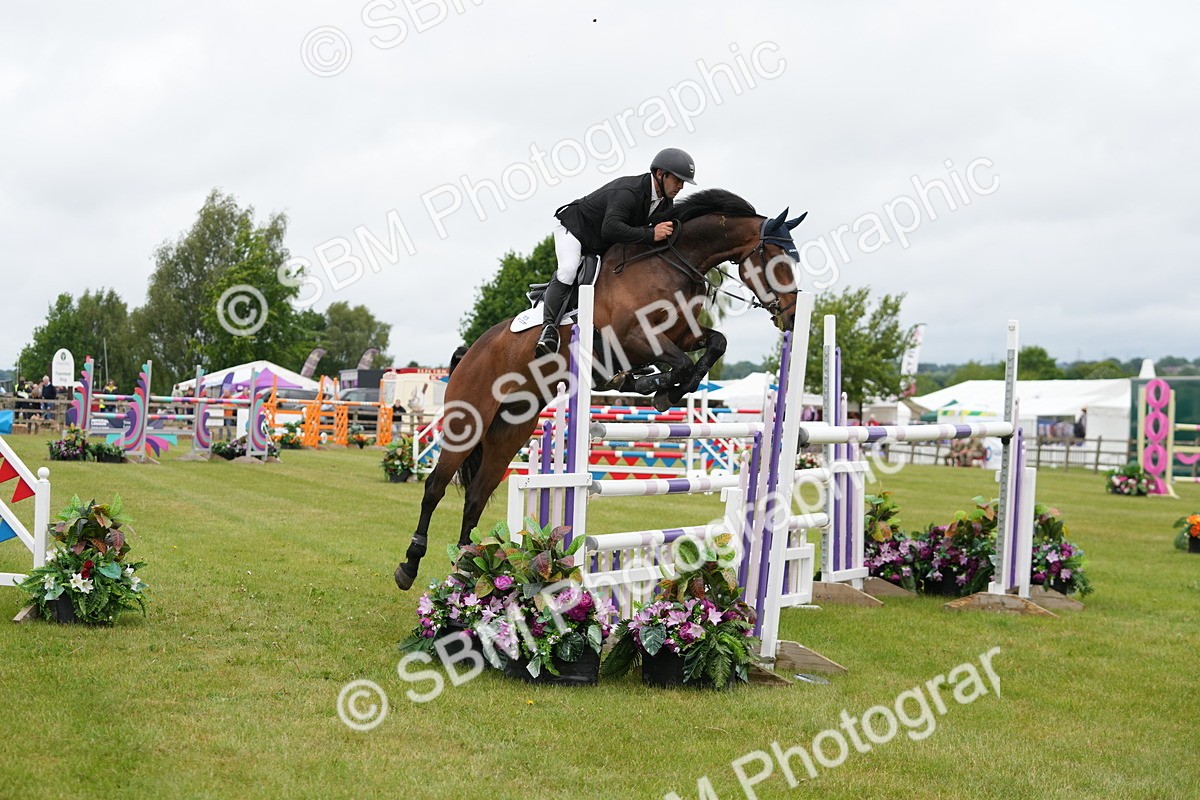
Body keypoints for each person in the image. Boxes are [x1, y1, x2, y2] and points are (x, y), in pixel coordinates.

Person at [535, 147, 696, 357]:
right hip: (576, 231)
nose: (681, 186)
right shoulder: (629, 192)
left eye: (683, 182)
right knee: (568, 269)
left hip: (602, 244)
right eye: (678, 180)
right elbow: (610, 227)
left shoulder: (665, 202)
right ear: (660, 174)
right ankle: (548, 329)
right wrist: (650, 234)